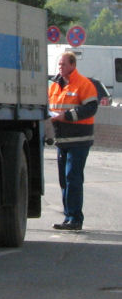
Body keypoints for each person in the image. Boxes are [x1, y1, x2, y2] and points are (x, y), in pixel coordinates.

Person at [48, 51, 99, 231]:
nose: (60, 67)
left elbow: (91, 108)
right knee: (64, 179)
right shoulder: (54, 86)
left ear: (72, 65)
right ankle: (68, 216)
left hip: (80, 140)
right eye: (59, 64)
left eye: (63, 64)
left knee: (73, 178)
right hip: (62, 140)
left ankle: (76, 218)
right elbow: (50, 108)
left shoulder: (84, 84)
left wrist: (67, 116)